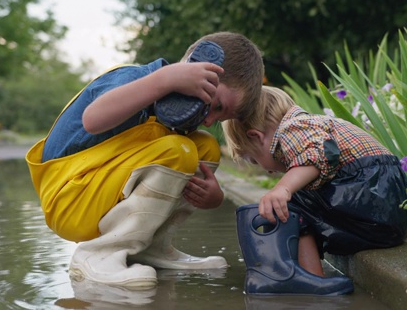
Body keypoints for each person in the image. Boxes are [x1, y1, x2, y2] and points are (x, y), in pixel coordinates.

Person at [25, 32, 265, 290]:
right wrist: (165, 79)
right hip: (70, 197)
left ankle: (151, 247)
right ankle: (98, 254)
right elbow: (92, 119)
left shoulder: (179, 118)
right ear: (196, 68)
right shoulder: (135, 78)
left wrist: (214, 197)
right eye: (216, 105)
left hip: (97, 190)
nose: (209, 120)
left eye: (219, 118)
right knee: (178, 149)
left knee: (205, 147)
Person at [223, 86, 407, 295]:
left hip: (371, 196)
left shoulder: (292, 128)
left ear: (257, 137)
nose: (266, 169)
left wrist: (283, 188)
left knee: (291, 205)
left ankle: (308, 279)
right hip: (389, 208)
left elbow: (318, 155)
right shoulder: (312, 123)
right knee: (299, 201)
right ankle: (306, 278)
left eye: (254, 159)